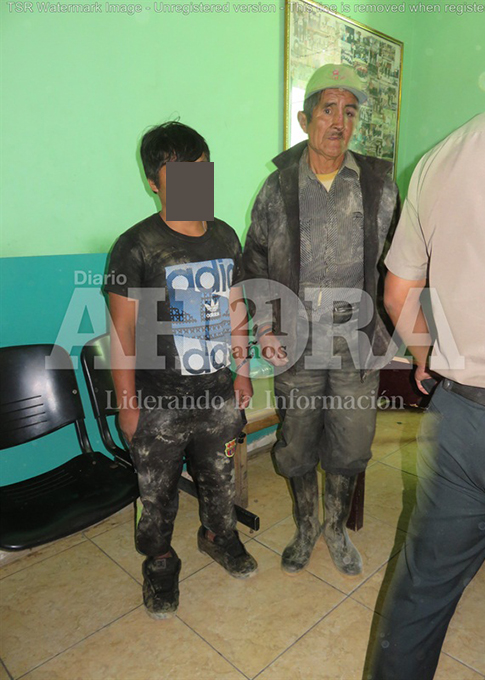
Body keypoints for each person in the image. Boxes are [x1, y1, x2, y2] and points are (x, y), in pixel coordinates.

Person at [368, 104, 485, 679]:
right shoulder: (282, 187)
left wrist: (427, 354)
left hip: (460, 418)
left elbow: (397, 290)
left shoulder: (442, 157)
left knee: (421, 593)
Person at [243, 64, 399, 576]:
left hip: (356, 341)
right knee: (297, 442)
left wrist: (394, 328)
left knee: (351, 442)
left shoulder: (378, 184)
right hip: (297, 341)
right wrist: (264, 328)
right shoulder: (278, 187)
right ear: (304, 119)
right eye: (328, 109)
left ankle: (335, 528)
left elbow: (399, 260)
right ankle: (306, 525)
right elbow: (254, 261)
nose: (339, 122)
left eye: (349, 112)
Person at [105, 121, 257, 620]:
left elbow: (235, 308)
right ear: (154, 182)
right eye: (181, 174)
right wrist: (128, 406)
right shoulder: (136, 247)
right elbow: (122, 334)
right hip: (158, 402)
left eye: (202, 170)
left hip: (217, 394)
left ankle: (218, 535)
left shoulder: (224, 235)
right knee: (157, 495)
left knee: (220, 479)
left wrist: (241, 371)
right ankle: (160, 561)